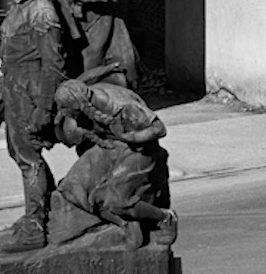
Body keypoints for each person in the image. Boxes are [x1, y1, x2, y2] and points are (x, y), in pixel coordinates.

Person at [0, 0, 66, 253]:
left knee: (29, 160)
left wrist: (43, 110)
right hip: (15, 92)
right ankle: (41, 215)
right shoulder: (22, 2)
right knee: (21, 156)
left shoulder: (40, 10)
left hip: (31, 96)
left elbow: (54, 63)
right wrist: (2, 98)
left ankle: (35, 228)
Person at [50, 77, 178, 249]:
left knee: (118, 201)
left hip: (140, 151)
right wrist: (58, 124)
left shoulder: (119, 105)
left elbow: (159, 129)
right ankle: (127, 224)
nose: (65, 112)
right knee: (72, 188)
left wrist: (130, 137)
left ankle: (164, 217)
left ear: (78, 104)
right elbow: (69, 140)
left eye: (66, 108)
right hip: (110, 148)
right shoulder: (86, 106)